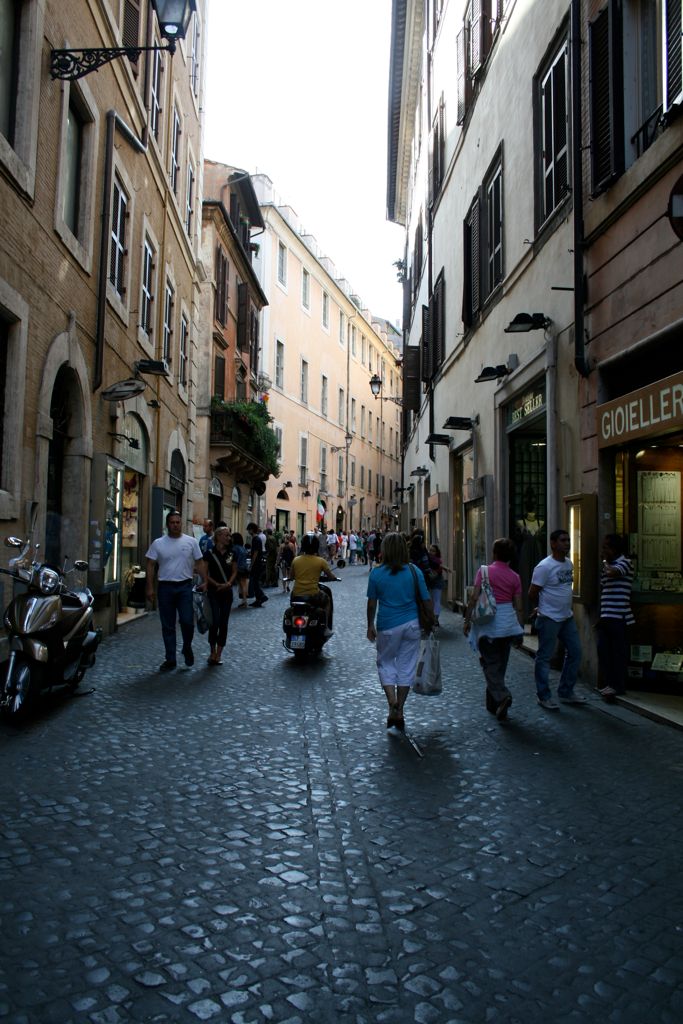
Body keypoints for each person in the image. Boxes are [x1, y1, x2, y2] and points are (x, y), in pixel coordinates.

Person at [366, 532, 434, 733]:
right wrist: (431, 619)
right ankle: (400, 710)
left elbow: (372, 603)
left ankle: (392, 702)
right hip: (411, 625)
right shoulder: (414, 571)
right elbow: (427, 599)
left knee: (385, 662)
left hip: (387, 626)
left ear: (384, 550)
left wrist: (370, 624)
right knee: (406, 666)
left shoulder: (377, 574)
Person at [463, 538, 524, 720]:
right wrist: (520, 628)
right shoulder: (515, 577)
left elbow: (474, 598)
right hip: (507, 625)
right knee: (500, 664)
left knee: (490, 664)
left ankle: (502, 696)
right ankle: (493, 703)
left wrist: (467, 620)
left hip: (488, 624)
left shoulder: (484, 572)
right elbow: (519, 606)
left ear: (494, 553)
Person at [528, 529, 586, 709]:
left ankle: (566, 691)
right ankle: (543, 695)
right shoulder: (544, 567)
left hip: (566, 617)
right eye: (563, 540)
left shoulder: (569, 564)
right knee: (544, 657)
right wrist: (541, 608)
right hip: (549, 618)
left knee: (575, 652)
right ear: (553, 543)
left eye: (568, 540)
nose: (567, 543)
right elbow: (532, 593)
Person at [145, 511, 207, 672]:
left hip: (185, 587)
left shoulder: (191, 542)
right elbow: (150, 564)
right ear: (167, 525)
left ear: (181, 523)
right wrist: (150, 587)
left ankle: (187, 647)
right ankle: (170, 658)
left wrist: (206, 581)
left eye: (178, 522)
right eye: (172, 522)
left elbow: (199, 562)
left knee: (187, 621)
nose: (175, 525)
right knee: (168, 625)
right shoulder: (158, 543)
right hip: (165, 587)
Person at [597, 534, 634, 699]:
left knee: (618, 653)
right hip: (606, 615)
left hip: (619, 616)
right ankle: (609, 683)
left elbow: (612, 573)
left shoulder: (625, 562)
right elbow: (604, 587)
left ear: (614, 549)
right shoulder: (608, 565)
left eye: (606, 548)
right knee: (604, 652)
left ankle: (618, 686)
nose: (603, 551)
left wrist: (605, 561)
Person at [289, 533, 338, 630]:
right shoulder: (320, 561)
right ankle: (326, 625)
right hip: (313, 594)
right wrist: (334, 578)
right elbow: (330, 576)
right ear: (316, 546)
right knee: (327, 600)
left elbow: (291, 577)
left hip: (296, 594)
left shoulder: (296, 560)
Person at [203, 526, 237, 666]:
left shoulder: (231, 553)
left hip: (227, 592)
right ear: (218, 537)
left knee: (223, 622)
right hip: (214, 591)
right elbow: (204, 573)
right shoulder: (209, 554)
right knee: (214, 621)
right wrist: (216, 584)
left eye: (229, 536)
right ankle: (212, 650)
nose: (229, 538)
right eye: (226, 535)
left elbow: (235, 571)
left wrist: (229, 583)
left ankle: (218, 653)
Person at [246, 522, 268, 608]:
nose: (248, 531)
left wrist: (251, 564)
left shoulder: (256, 539)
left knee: (254, 582)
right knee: (255, 582)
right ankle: (258, 599)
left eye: (248, 530)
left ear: (251, 529)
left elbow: (255, 553)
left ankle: (262, 597)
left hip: (256, 564)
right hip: (258, 563)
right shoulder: (256, 539)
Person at [426, 543, 448, 624]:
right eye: (430, 550)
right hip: (430, 582)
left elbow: (438, 567)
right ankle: (433, 618)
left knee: (437, 600)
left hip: (437, 582)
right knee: (431, 600)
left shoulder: (437, 560)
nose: (431, 552)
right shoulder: (427, 559)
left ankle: (436, 619)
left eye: (433, 551)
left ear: (436, 552)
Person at [231, 532, 250, 607]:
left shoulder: (235, 548)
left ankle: (244, 600)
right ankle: (244, 600)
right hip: (244, 567)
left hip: (238, 568)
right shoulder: (242, 548)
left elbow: (233, 559)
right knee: (243, 584)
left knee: (241, 584)